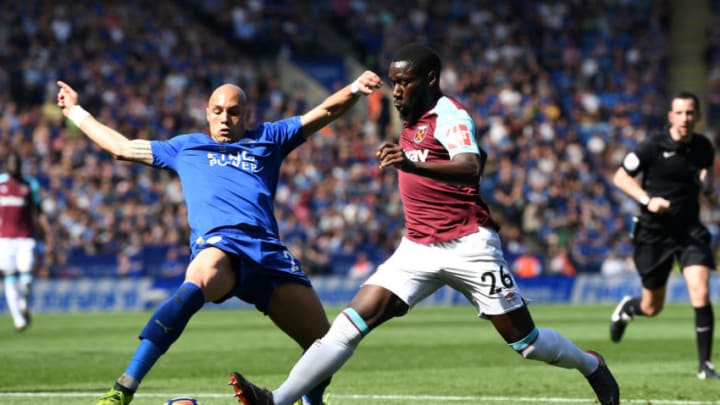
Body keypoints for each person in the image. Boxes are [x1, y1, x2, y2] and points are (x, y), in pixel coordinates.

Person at [227, 43, 620, 405]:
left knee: (527, 344)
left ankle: (591, 365)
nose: (396, 90)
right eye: (393, 82)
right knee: (347, 327)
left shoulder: (450, 115)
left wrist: (411, 162)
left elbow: (471, 166)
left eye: (403, 82)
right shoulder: (410, 116)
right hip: (416, 248)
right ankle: (276, 401)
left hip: (469, 244)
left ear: (429, 80)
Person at [55, 69, 383, 405]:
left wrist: (356, 88)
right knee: (199, 279)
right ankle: (123, 389)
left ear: (247, 116)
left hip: (268, 252)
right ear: (207, 114)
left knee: (325, 346)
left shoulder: (270, 137)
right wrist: (76, 112)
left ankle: (311, 403)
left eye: (234, 112)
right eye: (218, 111)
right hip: (221, 244)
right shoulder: (185, 147)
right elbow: (121, 148)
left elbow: (325, 111)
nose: (225, 119)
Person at [609, 91, 719, 380]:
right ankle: (628, 308)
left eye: (690, 113)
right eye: (680, 113)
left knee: (701, 291)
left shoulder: (704, 147)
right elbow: (620, 177)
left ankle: (705, 366)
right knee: (652, 306)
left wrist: (707, 185)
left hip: (689, 230)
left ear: (697, 116)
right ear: (671, 116)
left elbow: (706, 173)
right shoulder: (651, 146)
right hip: (654, 233)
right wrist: (648, 201)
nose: (685, 118)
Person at [0, 148, 50, 332]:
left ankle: (23, 303)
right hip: (4, 240)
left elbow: (39, 210)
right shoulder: (0, 184)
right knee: (10, 277)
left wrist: (47, 231)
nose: (14, 167)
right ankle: (18, 319)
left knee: (27, 278)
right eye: (11, 164)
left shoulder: (30, 185)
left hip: (25, 238)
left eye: (17, 164)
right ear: (7, 166)